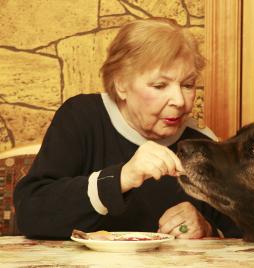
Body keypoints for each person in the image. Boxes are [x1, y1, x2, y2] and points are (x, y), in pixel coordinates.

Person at [13, 18, 241, 239]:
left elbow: (245, 236)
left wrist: (208, 229)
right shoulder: (82, 117)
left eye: (188, 85)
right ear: (121, 84)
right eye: (160, 85)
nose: (180, 101)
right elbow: (31, 212)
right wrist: (120, 178)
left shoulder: (202, 145)